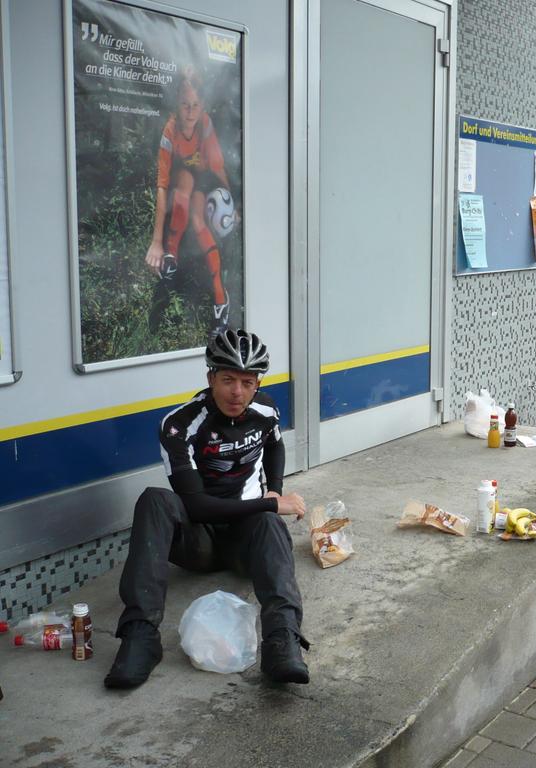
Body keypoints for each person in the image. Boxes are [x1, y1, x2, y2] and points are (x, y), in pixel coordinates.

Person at [104, 329, 310, 688]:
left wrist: (273, 491)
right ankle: (140, 635)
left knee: (268, 521)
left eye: (248, 382)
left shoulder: (266, 408)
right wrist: (272, 503)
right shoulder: (180, 425)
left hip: (246, 543)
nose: (237, 392)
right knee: (155, 499)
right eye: (228, 379)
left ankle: (283, 640)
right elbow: (196, 507)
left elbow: (274, 446)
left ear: (257, 382)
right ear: (210, 377)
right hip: (198, 543)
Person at [146, 68, 239, 339]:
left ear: (202, 107)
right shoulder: (170, 131)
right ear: (177, 104)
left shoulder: (205, 126)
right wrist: (156, 241)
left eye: (195, 105)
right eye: (185, 105)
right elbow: (162, 186)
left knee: (199, 222)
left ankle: (221, 303)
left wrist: (234, 205)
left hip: (203, 182)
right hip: (181, 182)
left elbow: (218, 167)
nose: (190, 111)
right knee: (183, 186)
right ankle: (170, 257)